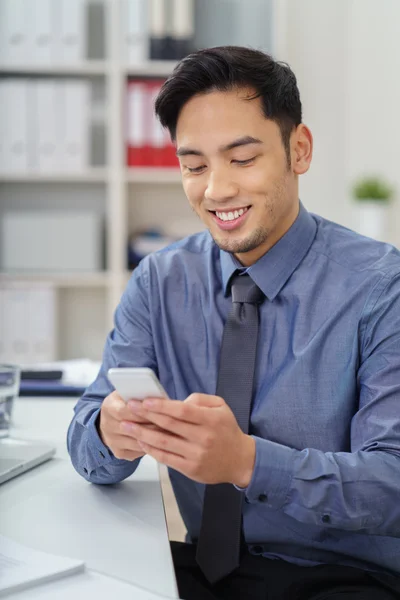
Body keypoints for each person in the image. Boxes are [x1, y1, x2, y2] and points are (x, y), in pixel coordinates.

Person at [67, 46, 400, 600]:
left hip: (343, 578)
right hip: (199, 570)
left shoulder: (381, 287)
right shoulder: (160, 281)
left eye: (242, 159)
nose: (216, 190)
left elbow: (392, 486)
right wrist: (111, 431)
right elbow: (86, 437)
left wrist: (247, 462)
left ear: (299, 149)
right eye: (194, 166)